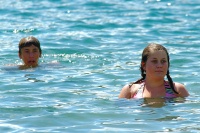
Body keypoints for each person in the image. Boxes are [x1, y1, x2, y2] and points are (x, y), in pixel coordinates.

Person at [119, 43, 189, 99]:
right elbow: (119, 114)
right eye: (154, 61)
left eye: (163, 61)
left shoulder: (177, 90)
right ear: (144, 65)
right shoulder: (130, 90)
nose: (159, 65)